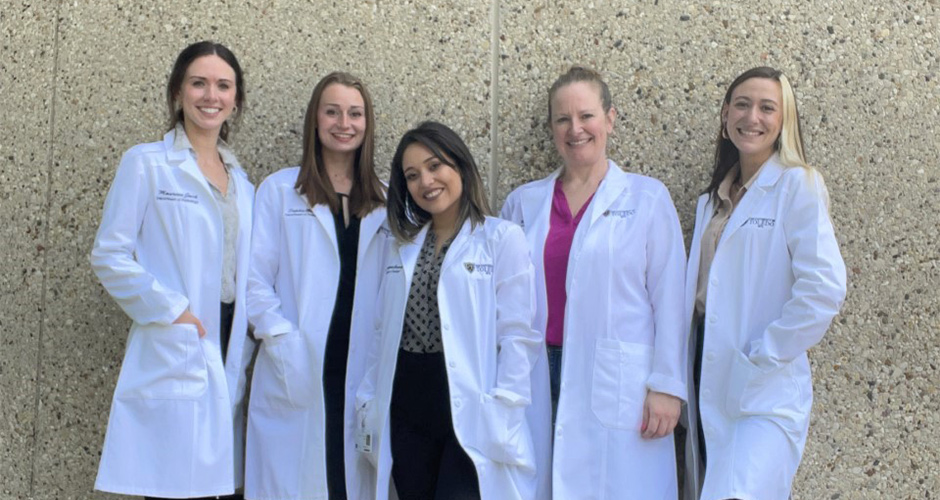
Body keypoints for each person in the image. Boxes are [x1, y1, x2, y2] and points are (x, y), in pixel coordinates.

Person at [501, 66, 687, 499]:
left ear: (610, 119)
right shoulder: (523, 203)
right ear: (551, 128)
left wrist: (667, 385)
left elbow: (670, 299)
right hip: (534, 372)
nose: (575, 129)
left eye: (586, 116)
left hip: (616, 378)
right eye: (563, 119)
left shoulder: (646, 198)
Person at [89, 41, 254, 499]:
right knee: (172, 488)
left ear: (235, 100)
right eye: (198, 83)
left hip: (227, 336)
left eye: (223, 86)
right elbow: (109, 254)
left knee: (218, 487)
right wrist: (172, 310)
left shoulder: (242, 181)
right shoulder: (146, 163)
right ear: (178, 92)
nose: (211, 96)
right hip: (181, 332)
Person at [681, 66, 847, 500]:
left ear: (783, 121)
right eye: (742, 104)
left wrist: (763, 354)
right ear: (725, 115)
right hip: (705, 373)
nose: (752, 116)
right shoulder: (710, 202)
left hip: (764, 387)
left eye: (767, 107)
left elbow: (824, 289)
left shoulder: (798, 185)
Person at [356, 121, 545, 500]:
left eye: (434, 165)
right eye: (412, 175)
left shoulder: (500, 238)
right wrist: (368, 399)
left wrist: (507, 405)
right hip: (407, 404)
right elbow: (382, 330)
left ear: (459, 165)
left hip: (470, 406)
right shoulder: (400, 244)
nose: (425, 181)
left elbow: (518, 334)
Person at [244, 72, 388, 500]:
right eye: (332, 111)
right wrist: (281, 338)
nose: (344, 122)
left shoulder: (386, 197)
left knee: (350, 481)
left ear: (367, 123)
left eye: (355, 113)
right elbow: (253, 281)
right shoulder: (279, 190)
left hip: (360, 361)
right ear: (315, 119)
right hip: (301, 363)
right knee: (301, 479)